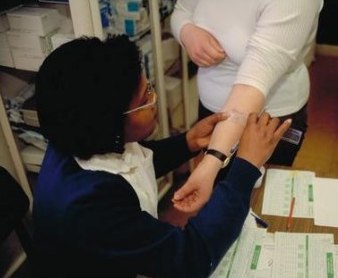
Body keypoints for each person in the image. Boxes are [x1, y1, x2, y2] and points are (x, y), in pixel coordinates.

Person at [32, 35, 291, 277]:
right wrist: (246, 166)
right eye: (146, 96)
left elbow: (131, 163)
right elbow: (192, 259)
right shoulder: (89, 206)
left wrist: (186, 143)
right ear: (111, 122)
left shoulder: (78, 137)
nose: (155, 99)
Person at [170, 0, 323, 212]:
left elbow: (251, 84)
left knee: (261, 205)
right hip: (213, 106)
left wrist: (211, 161)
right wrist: (186, 32)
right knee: (221, 199)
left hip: (270, 116)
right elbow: (183, 10)